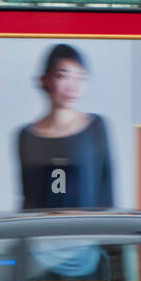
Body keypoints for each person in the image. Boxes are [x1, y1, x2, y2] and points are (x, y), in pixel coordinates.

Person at [17, 44, 114, 210]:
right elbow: (29, 199)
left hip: (86, 231)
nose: (72, 86)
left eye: (79, 77)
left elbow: (106, 193)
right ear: (45, 80)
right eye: (63, 76)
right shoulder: (27, 136)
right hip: (42, 231)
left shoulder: (95, 128)